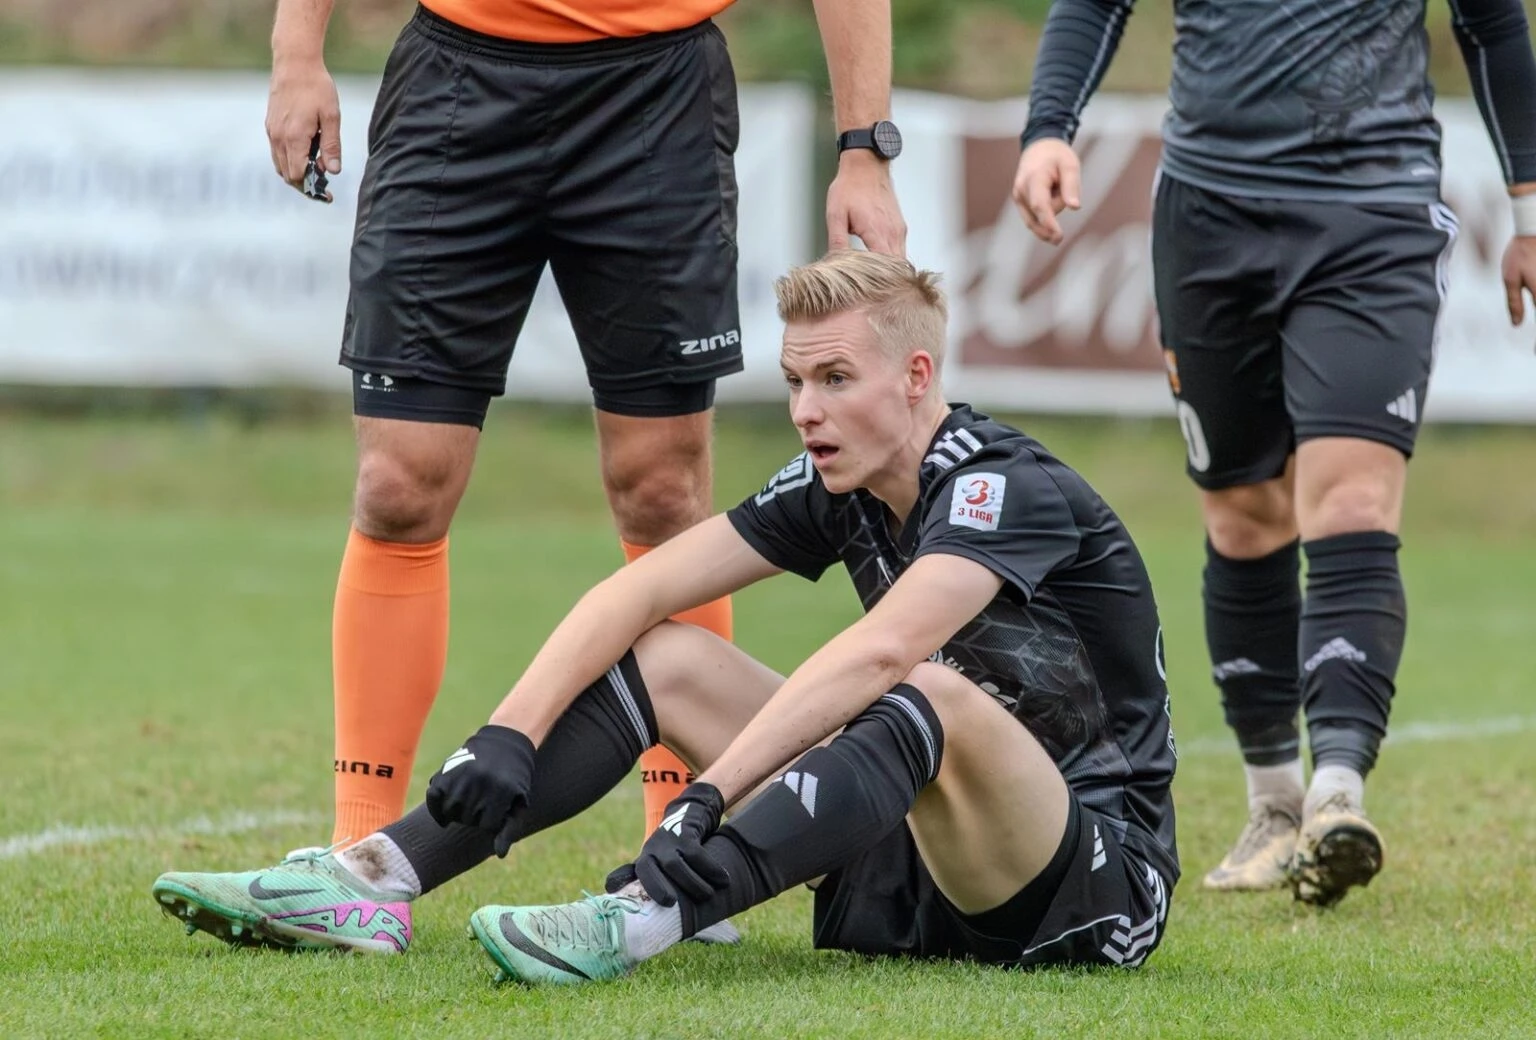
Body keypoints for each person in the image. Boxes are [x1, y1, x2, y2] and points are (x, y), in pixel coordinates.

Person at [151, 250, 1179, 979]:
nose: (806, 410)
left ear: (918, 378)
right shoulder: (845, 482)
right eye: (795, 381)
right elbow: (637, 590)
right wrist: (505, 733)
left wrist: (708, 796)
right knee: (669, 654)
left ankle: (648, 916)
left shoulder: (1002, 486)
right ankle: (378, 876)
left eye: (835, 379)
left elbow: (882, 652)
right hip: (922, 864)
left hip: (1090, 888)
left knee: (925, 688)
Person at [260, 0, 908, 876]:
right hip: (456, 83)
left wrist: (865, 148)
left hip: (656, 95)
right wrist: (297, 52)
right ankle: (357, 855)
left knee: (663, 491)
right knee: (398, 485)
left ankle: (679, 850)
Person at [1012, 0, 1536, 905]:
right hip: (1209, 214)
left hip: (1373, 213)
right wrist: (1049, 128)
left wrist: (1528, 202)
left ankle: (1338, 790)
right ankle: (1275, 804)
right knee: (1245, 514)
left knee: (1352, 500)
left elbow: (1492, 23)